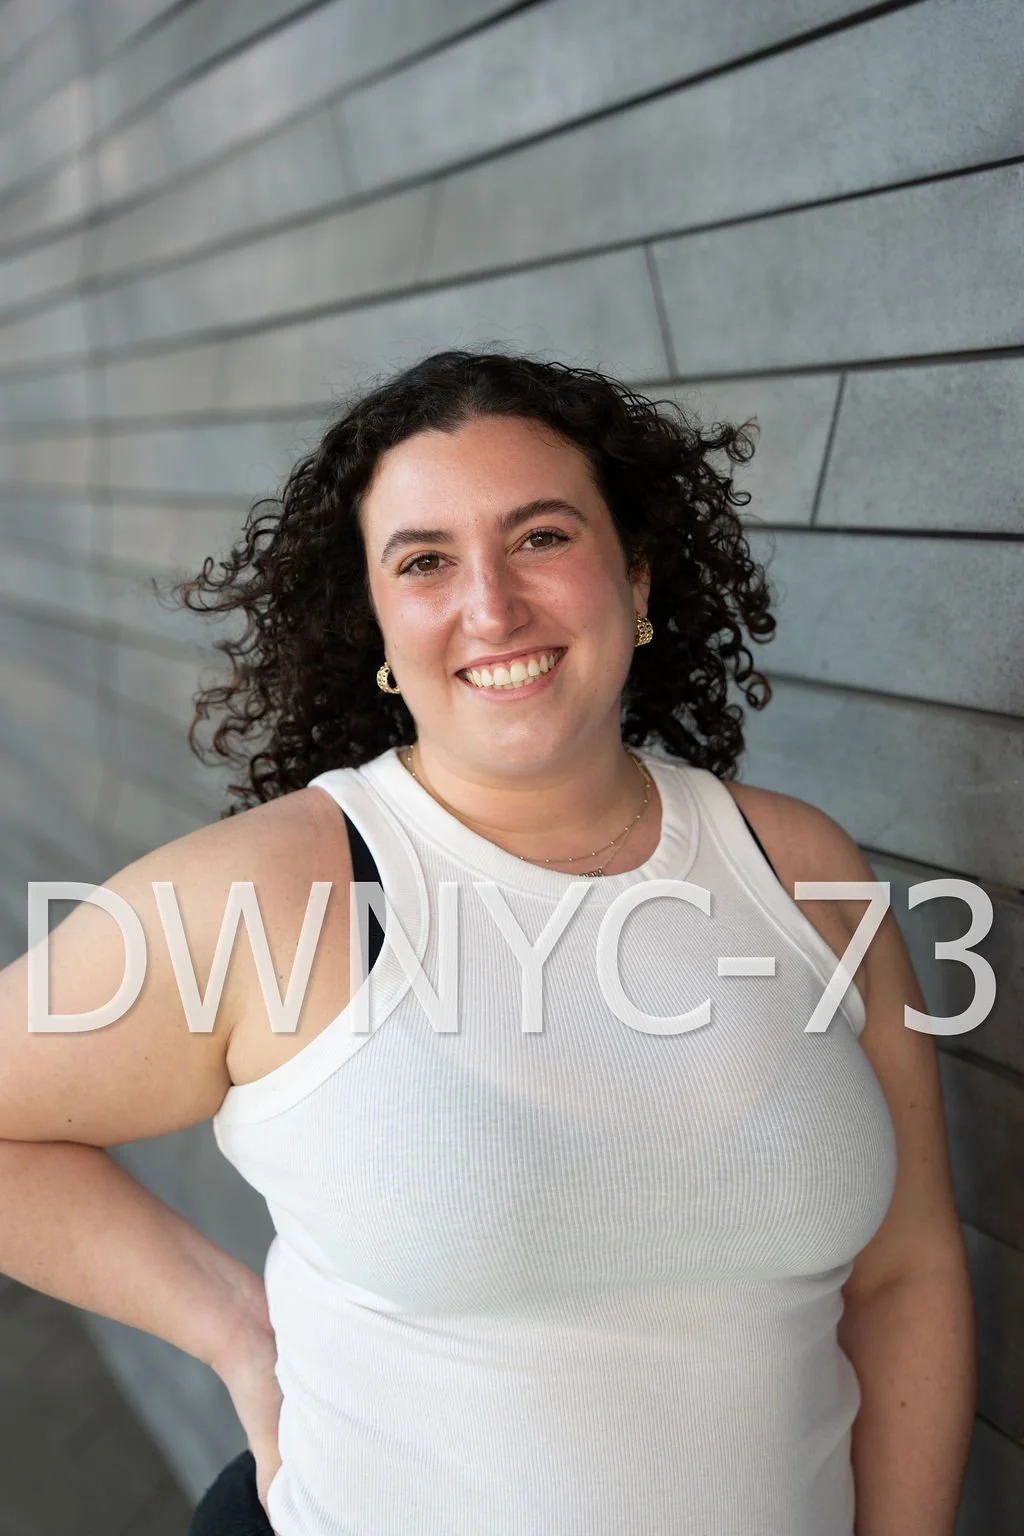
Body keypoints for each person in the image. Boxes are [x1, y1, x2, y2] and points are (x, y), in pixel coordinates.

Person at [0, 351, 975, 1536]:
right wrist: (237, 1329)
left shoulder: (800, 869)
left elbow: (906, 1273)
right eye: (425, 561)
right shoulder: (271, 892)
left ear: (636, 571)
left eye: (541, 537)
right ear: (375, 618)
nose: (493, 607)